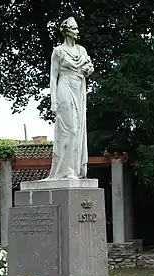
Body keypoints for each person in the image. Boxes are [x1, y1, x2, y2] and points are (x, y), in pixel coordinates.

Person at [48, 17, 94, 180]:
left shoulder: (82, 51)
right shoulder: (58, 51)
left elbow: (89, 68)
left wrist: (88, 70)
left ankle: (74, 168)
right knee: (70, 129)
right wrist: (53, 100)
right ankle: (65, 170)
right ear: (67, 30)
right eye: (74, 28)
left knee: (79, 129)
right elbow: (53, 77)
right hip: (64, 87)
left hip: (78, 89)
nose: (77, 31)